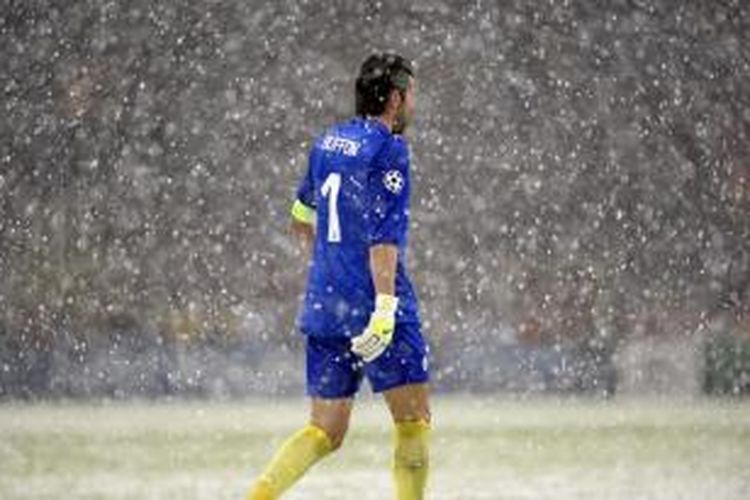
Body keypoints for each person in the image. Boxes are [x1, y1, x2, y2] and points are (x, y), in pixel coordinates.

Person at [247, 53, 430, 500]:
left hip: (326, 303)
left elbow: (298, 215)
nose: (412, 105)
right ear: (395, 97)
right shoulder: (390, 149)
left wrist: (330, 265)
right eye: (411, 96)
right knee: (413, 424)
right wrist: (384, 307)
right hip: (375, 303)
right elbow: (384, 238)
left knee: (323, 430)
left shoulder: (328, 142)